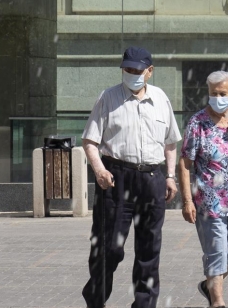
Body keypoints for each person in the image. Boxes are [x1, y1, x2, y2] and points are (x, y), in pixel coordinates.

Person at [81, 46, 182, 308]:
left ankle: (145, 304)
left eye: (138, 70)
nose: (132, 74)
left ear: (149, 72)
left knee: (149, 250)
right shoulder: (108, 97)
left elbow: (170, 142)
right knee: (109, 248)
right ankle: (95, 298)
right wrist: (99, 170)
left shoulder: (161, 99)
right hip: (116, 178)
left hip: (152, 177)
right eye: (128, 69)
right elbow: (90, 140)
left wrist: (170, 176)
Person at [178, 71, 228, 308]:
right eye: (213, 93)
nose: (217, 97)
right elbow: (185, 163)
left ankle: (210, 285)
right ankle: (218, 301)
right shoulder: (197, 123)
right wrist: (187, 201)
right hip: (209, 203)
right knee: (216, 254)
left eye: (222, 93)